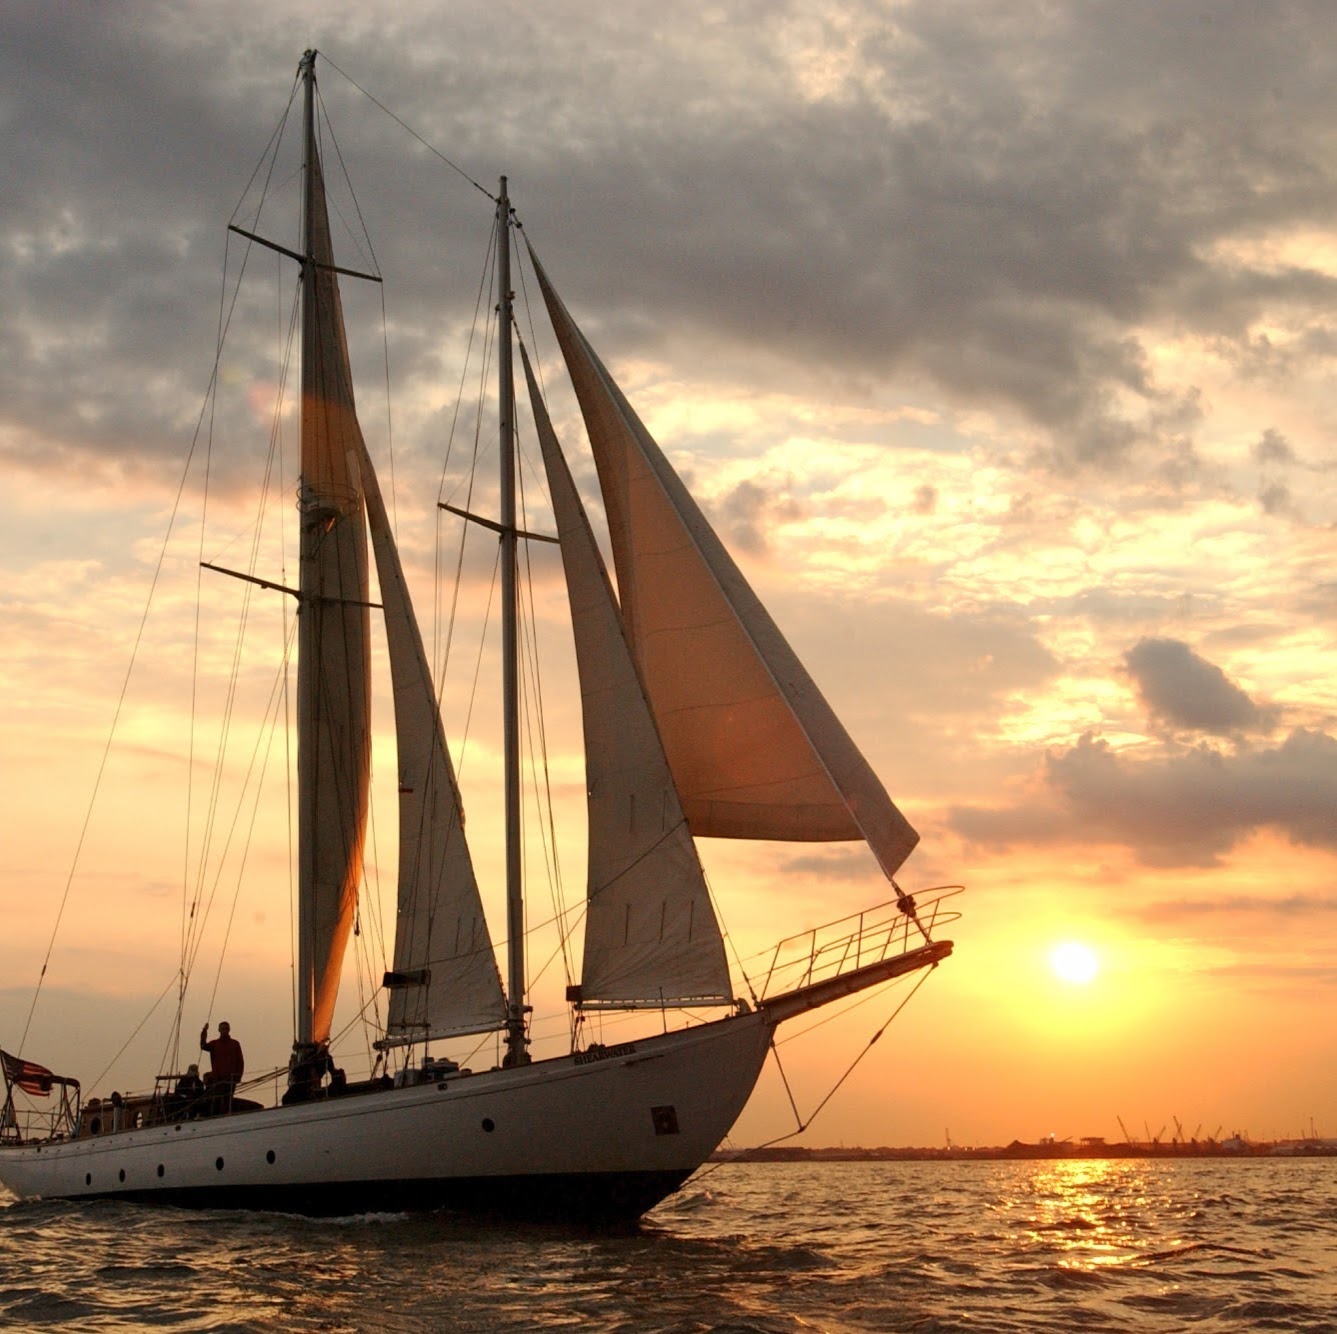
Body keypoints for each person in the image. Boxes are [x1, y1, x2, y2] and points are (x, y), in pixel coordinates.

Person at [199, 1021, 244, 1108]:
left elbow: (240, 1061)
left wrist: (238, 1077)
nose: (224, 1031)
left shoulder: (235, 1044)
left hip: (230, 1079)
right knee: (216, 1101)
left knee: (228, 1101)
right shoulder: (215, 1044)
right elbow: (203, 1046)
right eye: (222, 1029)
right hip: (217, 1079)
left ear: (229, 1030)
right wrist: (204, 1031)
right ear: (219, 1030)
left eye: (226, 1029)